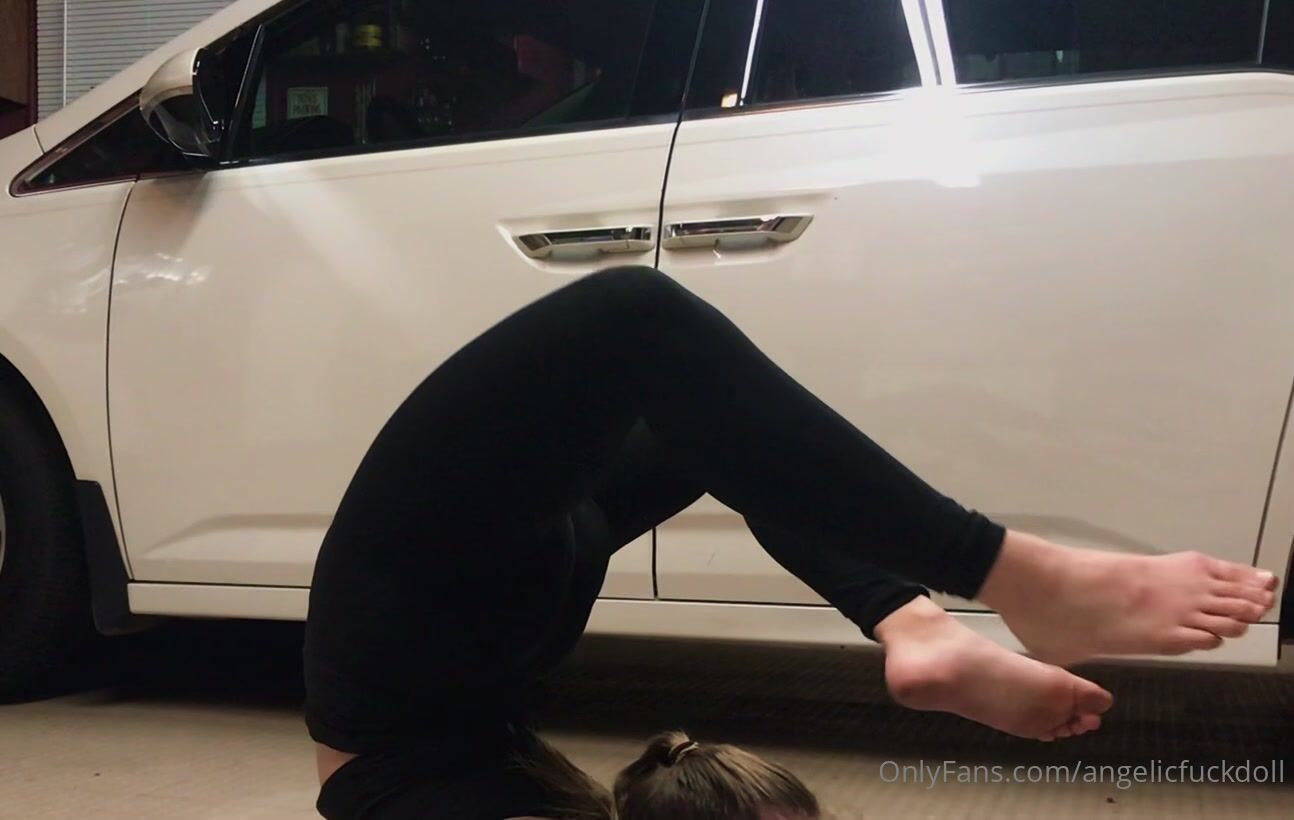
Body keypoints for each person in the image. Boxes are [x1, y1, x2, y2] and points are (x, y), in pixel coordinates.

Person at [304, 266, 1276, 819]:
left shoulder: (432, 546)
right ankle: (985, 596)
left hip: (424, 733)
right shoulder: (461, 553)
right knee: (693, 399)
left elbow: (648, 351)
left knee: (699, 402)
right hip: (449, 743)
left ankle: (944, 612)